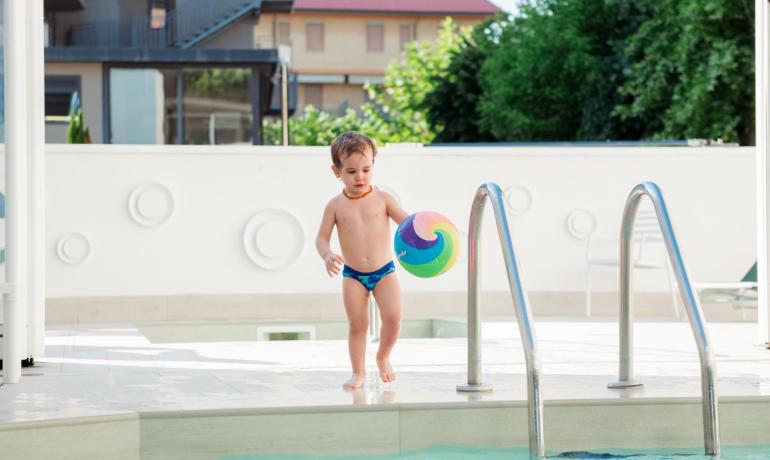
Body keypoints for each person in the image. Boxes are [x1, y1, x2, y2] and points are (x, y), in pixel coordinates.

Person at [316, 131, 408, 390]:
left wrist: (426, 232)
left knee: (393, 317)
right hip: (353, 276)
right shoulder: (335, 206)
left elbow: (407, 224)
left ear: (373, 167)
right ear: (337, 171)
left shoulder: (383, 199)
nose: (360, 177)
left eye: (366, 169)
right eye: (351, 171)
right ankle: (358, 372)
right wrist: (327, 254)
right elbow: (321, 238)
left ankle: (383, 356)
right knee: (358, 326)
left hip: (385, 271)